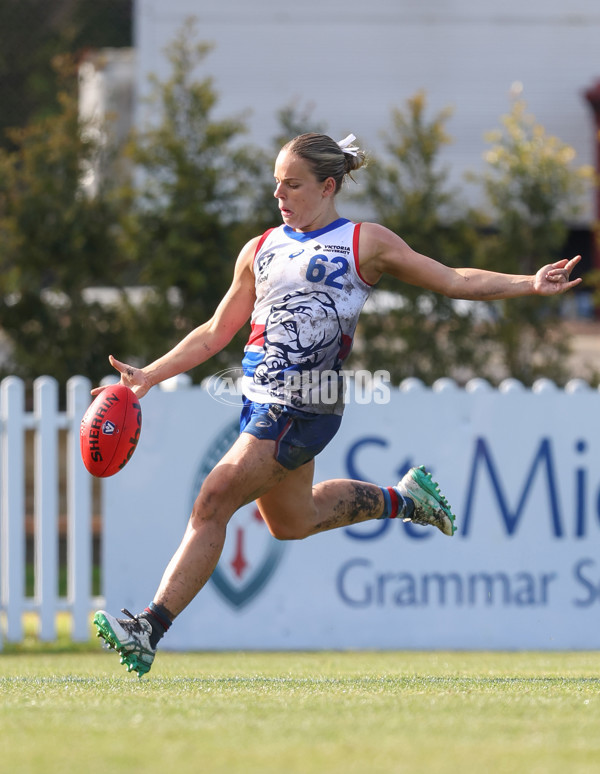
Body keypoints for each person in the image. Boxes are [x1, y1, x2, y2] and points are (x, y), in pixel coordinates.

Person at [93, 132, 581, 676]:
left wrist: (529, 284)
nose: (280, 193)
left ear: (328, 186)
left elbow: (451, 280)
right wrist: (149, 375)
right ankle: (405, 499)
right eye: (276, 182)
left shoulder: (362, 242)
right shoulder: (259, 249)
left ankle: (148, 628)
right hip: (260, 404)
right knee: (292, 523)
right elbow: (214, 333)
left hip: (304, 404)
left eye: (293, 184)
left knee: (212, 499)